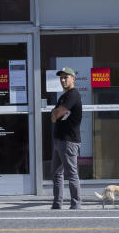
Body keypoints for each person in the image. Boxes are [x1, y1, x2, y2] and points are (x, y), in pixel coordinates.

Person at [50, 67, 83, 210]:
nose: (63, 80)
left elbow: (58, 113)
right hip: (59, 140)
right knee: (56, 173)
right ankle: (57, 204)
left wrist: (56, 113)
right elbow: (53, 116)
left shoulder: (73, 94)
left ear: (73, 79)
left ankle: (76, 204)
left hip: (69, 141)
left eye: (66, 77)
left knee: (71, 174)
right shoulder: (63, 97)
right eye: (61, 78)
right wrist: (55, 113)